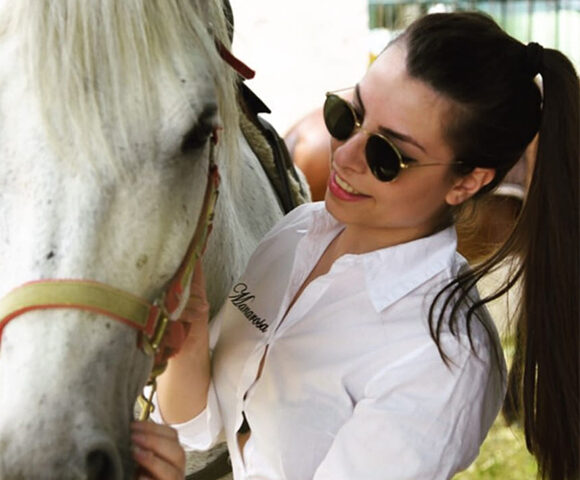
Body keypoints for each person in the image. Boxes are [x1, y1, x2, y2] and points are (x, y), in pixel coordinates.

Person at [143, 11, 578, 480]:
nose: (345, 155)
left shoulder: (441, 362)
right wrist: (187, 339)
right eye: (349, 114)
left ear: (468, 181)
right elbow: (202, 428)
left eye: (388, 155)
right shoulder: (297, 233)